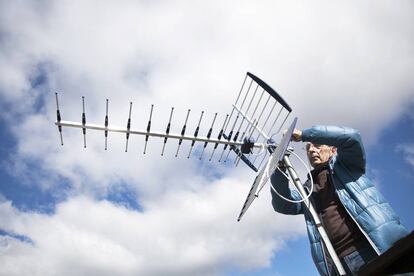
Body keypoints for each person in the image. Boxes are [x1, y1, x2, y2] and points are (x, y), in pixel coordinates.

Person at [270, 125, 409, 275]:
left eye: (317, 145)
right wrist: (280, 169)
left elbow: (352, 137)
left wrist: (305, 135)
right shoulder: (307, 190)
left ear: (333, 150)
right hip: (339, 264)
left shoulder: (347, 166)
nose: (311, 150)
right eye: (308, 148)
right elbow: (282, 204)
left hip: (373, 248)